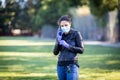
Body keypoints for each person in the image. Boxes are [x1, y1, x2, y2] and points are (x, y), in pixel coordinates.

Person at [53, 15, 84, 80]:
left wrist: (67, 45)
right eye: (62, 26)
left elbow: (81, 50)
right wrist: (58, 41)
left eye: (66, 25)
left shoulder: (76, 34)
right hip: (60, 65)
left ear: (70, 24)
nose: (64, 27)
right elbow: (55, 52)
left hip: (71, 65)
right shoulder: (60, 35)